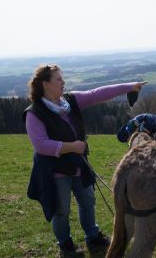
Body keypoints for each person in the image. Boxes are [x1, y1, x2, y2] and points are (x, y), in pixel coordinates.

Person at [23, 64, 146, 257]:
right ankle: (65, 245)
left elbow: (97, 93)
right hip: (55, 170)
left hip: (78, 164)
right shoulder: (34, 113)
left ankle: (92, 235)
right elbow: (41, 145)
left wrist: (130, 86)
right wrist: (73, 146)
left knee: (88, 201)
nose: (63, 82)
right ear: (45, 84)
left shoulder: (69, 101)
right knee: (61, 210)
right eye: (58, 79)